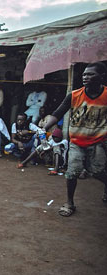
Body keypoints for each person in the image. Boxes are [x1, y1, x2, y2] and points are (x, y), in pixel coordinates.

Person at [43, 62, 107, 217]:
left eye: (90, 74)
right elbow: (58, 113)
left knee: (98, 172)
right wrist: (46, 126)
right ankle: (69, 203)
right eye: (85, 74)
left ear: (102, 77)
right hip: (77, 142)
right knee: (72, 173)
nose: (86, 77)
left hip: (98, 141)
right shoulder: (74, 95)